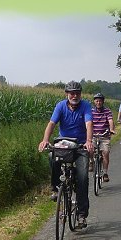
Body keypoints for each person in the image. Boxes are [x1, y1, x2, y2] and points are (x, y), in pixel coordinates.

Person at [38, 81, 94, 228]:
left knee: (82, 179)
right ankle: (56, 188)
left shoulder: (86, 106)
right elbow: (51, 124)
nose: (74, 96)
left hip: (80, 145)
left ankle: (81, 215)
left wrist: (89, 141)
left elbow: (89, 124)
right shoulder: (60, 106)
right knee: (51, 156)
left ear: (80, 94)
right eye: (72, 93)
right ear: (67, 94)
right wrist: (45, 140)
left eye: (77, 93)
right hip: (64, 144)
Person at [89, 93, 116, 182]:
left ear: (103, 101)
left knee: (105, 152)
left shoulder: (107, 111)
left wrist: (111, 129)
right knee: (90, 149)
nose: (98, 102)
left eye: (100, 101)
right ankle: (91, 162)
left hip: (104, 136)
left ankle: (105, 173)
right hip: (93, 135)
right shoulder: (91, 111)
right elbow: (89, 123)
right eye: (97, 101)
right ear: (94, 102)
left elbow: (110, 120)